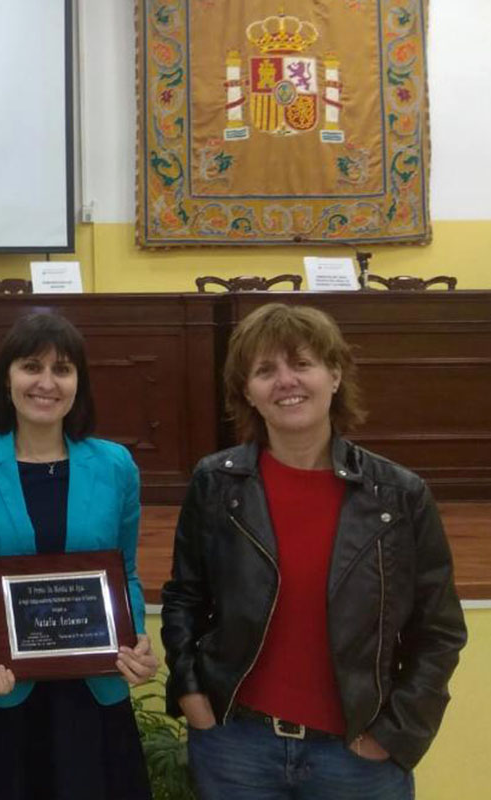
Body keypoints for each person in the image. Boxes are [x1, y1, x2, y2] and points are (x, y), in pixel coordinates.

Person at [161, 303, 467, 799]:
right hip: (236, 746)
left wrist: (396, 733)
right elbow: (184, 599)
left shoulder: (399, 495)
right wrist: (192, 694)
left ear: (334, 375)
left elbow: (439, 630)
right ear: (248, 392)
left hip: (357, 756)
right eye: (265, 371)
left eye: (301, 364)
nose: (285, 381)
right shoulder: (215, 483)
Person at [0, 312, 158, 800]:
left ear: (80, 382)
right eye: (31, 366)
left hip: (93, 696)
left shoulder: (115, 464)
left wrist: (135, 636)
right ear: (6, 377)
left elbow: (128, 575)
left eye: (63, 369)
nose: (47, 383)